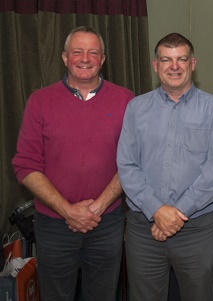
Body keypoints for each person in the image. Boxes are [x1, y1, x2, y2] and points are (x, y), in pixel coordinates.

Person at [11, 26, 134, 300]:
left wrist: (97, 207)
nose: (85, 58)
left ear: (103, 59)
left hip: (107, 222)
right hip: (54, 224)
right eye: (77, 51)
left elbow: (132, 161)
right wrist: (68, 210)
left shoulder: (125, 99)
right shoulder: (39, 101)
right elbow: (25, 165)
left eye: (93, 52)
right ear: (65, 57)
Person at [116, 33, 213, 301]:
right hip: (144, 229)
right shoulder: (136, 108)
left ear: (193, 63)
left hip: (196, 231)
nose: (174, 66)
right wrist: (156, 210)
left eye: (181, 59)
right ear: (156, 65)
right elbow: (127, 165)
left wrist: (174, 214)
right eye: (166, 59)